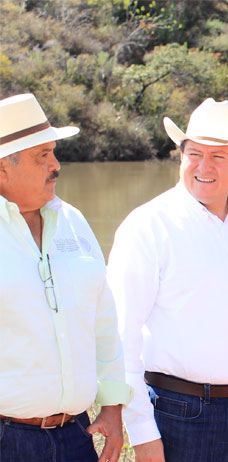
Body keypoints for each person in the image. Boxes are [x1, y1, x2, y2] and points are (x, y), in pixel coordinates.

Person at [107, 98, 228, 462]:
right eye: (194, 154)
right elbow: (121, 337)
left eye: (217, 157)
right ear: (180, 156)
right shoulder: (149, 226)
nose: (203, 167)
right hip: (181, 415)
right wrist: (142, 432)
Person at [0, 93, 132, 461]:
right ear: (2, 169)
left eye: (53, 152)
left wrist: (112, 406)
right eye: (42, 155)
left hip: (76, 434)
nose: (56, 165)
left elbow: (103, 321)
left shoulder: (72, 221)